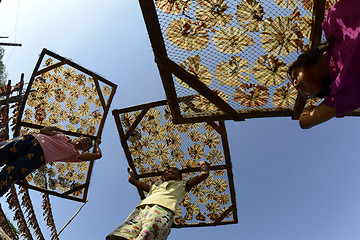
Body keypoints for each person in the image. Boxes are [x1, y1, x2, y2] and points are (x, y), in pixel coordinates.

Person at [288, 0, 360, 129]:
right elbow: (305, 122)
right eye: (302, 92)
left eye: (293, 75)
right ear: (319, 92)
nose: (295, 84)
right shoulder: (341, 92)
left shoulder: (332, 21)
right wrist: (310, 109)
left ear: (303, 61)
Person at [106, 161, 210, 240]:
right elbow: (132, 180)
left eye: (174, 171)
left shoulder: (182, 185)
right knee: (124, 234)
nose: (170, 171)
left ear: (179, 177)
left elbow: (204, 174)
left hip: (162, 209)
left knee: (148, 234)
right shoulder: (155, 188)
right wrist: (131, 170)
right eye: (168, 171)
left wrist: (203, 164)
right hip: (142, 208)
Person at [0, 126, 102, 197]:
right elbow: (43, 131)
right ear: (81, 137)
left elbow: (98, 155)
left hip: (38, 157)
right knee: (3, 150)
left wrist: (96, 143)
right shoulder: (63, 136)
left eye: (88, 144)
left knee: (10, 173)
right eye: (87, 139)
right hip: (31, 139)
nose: (87, 142)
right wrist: (54, 128)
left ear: (85, 150)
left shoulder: (75, 155)